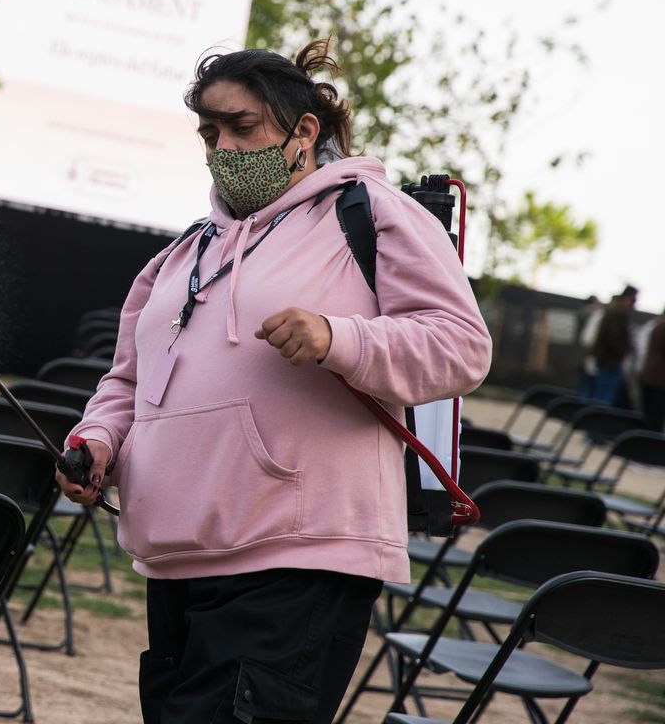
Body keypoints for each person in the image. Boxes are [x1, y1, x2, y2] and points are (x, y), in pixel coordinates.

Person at [60, 41, 492, 724]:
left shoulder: (373, 213)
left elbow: (462, 347)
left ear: (304, 132)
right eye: (210, 132)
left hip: (301, 561)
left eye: (243, 126)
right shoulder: (180, 254)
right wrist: (98, 441)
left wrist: (337, 337)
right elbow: (126, 384)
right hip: (178, 560)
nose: (223, 147)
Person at [584, 285, 637, 408]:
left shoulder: (612, 310)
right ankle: (596, 424)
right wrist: (622, 354)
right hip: (609, 361)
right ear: (628, 298)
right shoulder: (617, 312)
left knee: (601, 396)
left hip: (606, 360)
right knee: (603, 399)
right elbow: (615, 338)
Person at [638, 311, 665, 432]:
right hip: (659, 380)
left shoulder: (656, 326)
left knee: (647, 415)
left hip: (649, 376)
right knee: (655, 418)